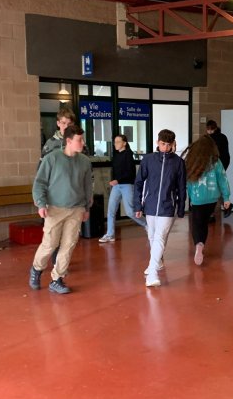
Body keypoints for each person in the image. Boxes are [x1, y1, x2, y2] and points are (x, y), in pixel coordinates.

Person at [29, 124, 93, 294]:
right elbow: (40, 183)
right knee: (50, 244)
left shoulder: (85, 162)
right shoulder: (52, 159)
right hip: (54, 209)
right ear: (69, 141)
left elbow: (88, 187)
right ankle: (36, 269)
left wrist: (86, 207)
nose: (83, 143)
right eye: (80, 140)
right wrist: (41, 203)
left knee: (68, 245)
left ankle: (57, 279)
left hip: (76, 209)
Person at [135, 129, 187, 287]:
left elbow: (181, 186)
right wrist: (138, 205)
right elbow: (138, 183)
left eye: (168, 144)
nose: (165, 147)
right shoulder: (148, 160)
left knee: (159, 238)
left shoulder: (178, 162)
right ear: (157, 143)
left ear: (173, 145)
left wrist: (180, 207)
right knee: (152, 237)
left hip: (167, 206)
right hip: (149, 205)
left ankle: (152, 273)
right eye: (163, 144)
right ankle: (158, 262)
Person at [184, 136, 232, 266]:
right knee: (204, 222)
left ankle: (199, 244)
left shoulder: (191, 161)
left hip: (197, 198)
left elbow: (187, 182)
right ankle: (201, 244)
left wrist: (187, 197)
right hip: (212, 199)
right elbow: (223, 179)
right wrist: (226, 197)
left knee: (197, 224)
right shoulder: (216, 161)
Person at [99, 134, 147, 243]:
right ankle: (110, 234)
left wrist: (118, 180)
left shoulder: (129, 155)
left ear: (124, 143)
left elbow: (130, 173)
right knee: (111, 211)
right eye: (115, 142)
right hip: (116, 186)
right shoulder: (116, 155)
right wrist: (115, 181)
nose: (115, 144)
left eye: (118, 142)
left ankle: (147, 224)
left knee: (130, 212)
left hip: (127, 186)